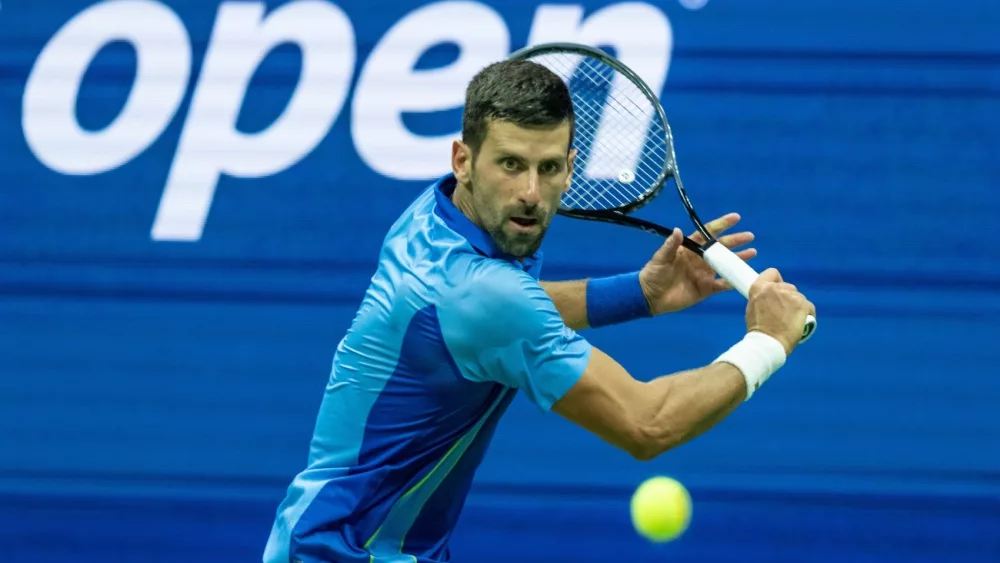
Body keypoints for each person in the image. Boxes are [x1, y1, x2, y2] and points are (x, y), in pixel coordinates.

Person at [263, 58, 815, 563]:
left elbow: (492, 317)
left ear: (572, 166)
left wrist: (639, 293)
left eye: (548, 167)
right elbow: (648, 424)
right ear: (463, 159)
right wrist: (769, 341)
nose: (530, 191)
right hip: (345, 552)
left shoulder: (434, 222)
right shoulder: (488, 299)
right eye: (510, 164)